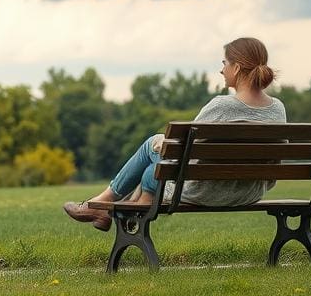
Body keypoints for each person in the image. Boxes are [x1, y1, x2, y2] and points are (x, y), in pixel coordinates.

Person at [63, 37, 286, 231]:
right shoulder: (277, 108)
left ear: (236, 68)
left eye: (224, 63)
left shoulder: (223, 105)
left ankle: (102, 203)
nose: (221, 70)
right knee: (154, 168)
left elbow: (184, 150)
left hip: (205, 192)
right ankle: (133, 205)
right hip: (249, 193)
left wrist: (163, 142)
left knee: (153, 142)